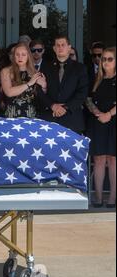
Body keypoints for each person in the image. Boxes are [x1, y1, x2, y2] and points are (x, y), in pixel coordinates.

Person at [38, 36, 88, 133]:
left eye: (63, 45)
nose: (60, 47)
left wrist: (65, 108)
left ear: (69, 47)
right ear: (54, 48)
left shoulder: (80, 68)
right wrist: (52, 105)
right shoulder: (45, 67)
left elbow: (83, 92)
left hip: (72, 118)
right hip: (50, 117)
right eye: (58, 45)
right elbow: (39, 91)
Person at [86, 47, 116, 208]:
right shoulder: (96, 79)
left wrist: (109, 114)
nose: (105, 62)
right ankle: (97, 197)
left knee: (113, 160)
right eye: (103, 59)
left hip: (113, 122)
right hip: (98, 122)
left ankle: (112, 198)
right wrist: (96, 111)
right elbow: (88, 99)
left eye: (110, 59)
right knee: (98, 160)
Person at [0, 43, 47, 118]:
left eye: (23, 55)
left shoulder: (35, 73)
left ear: (28, 56)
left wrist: (44, 86)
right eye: (17, 54)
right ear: (13, 56)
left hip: (31, 115)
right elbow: (9, 92)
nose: (20, 57)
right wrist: (29, 83)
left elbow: (41, 98)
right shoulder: (6, 71)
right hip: (11, 114)